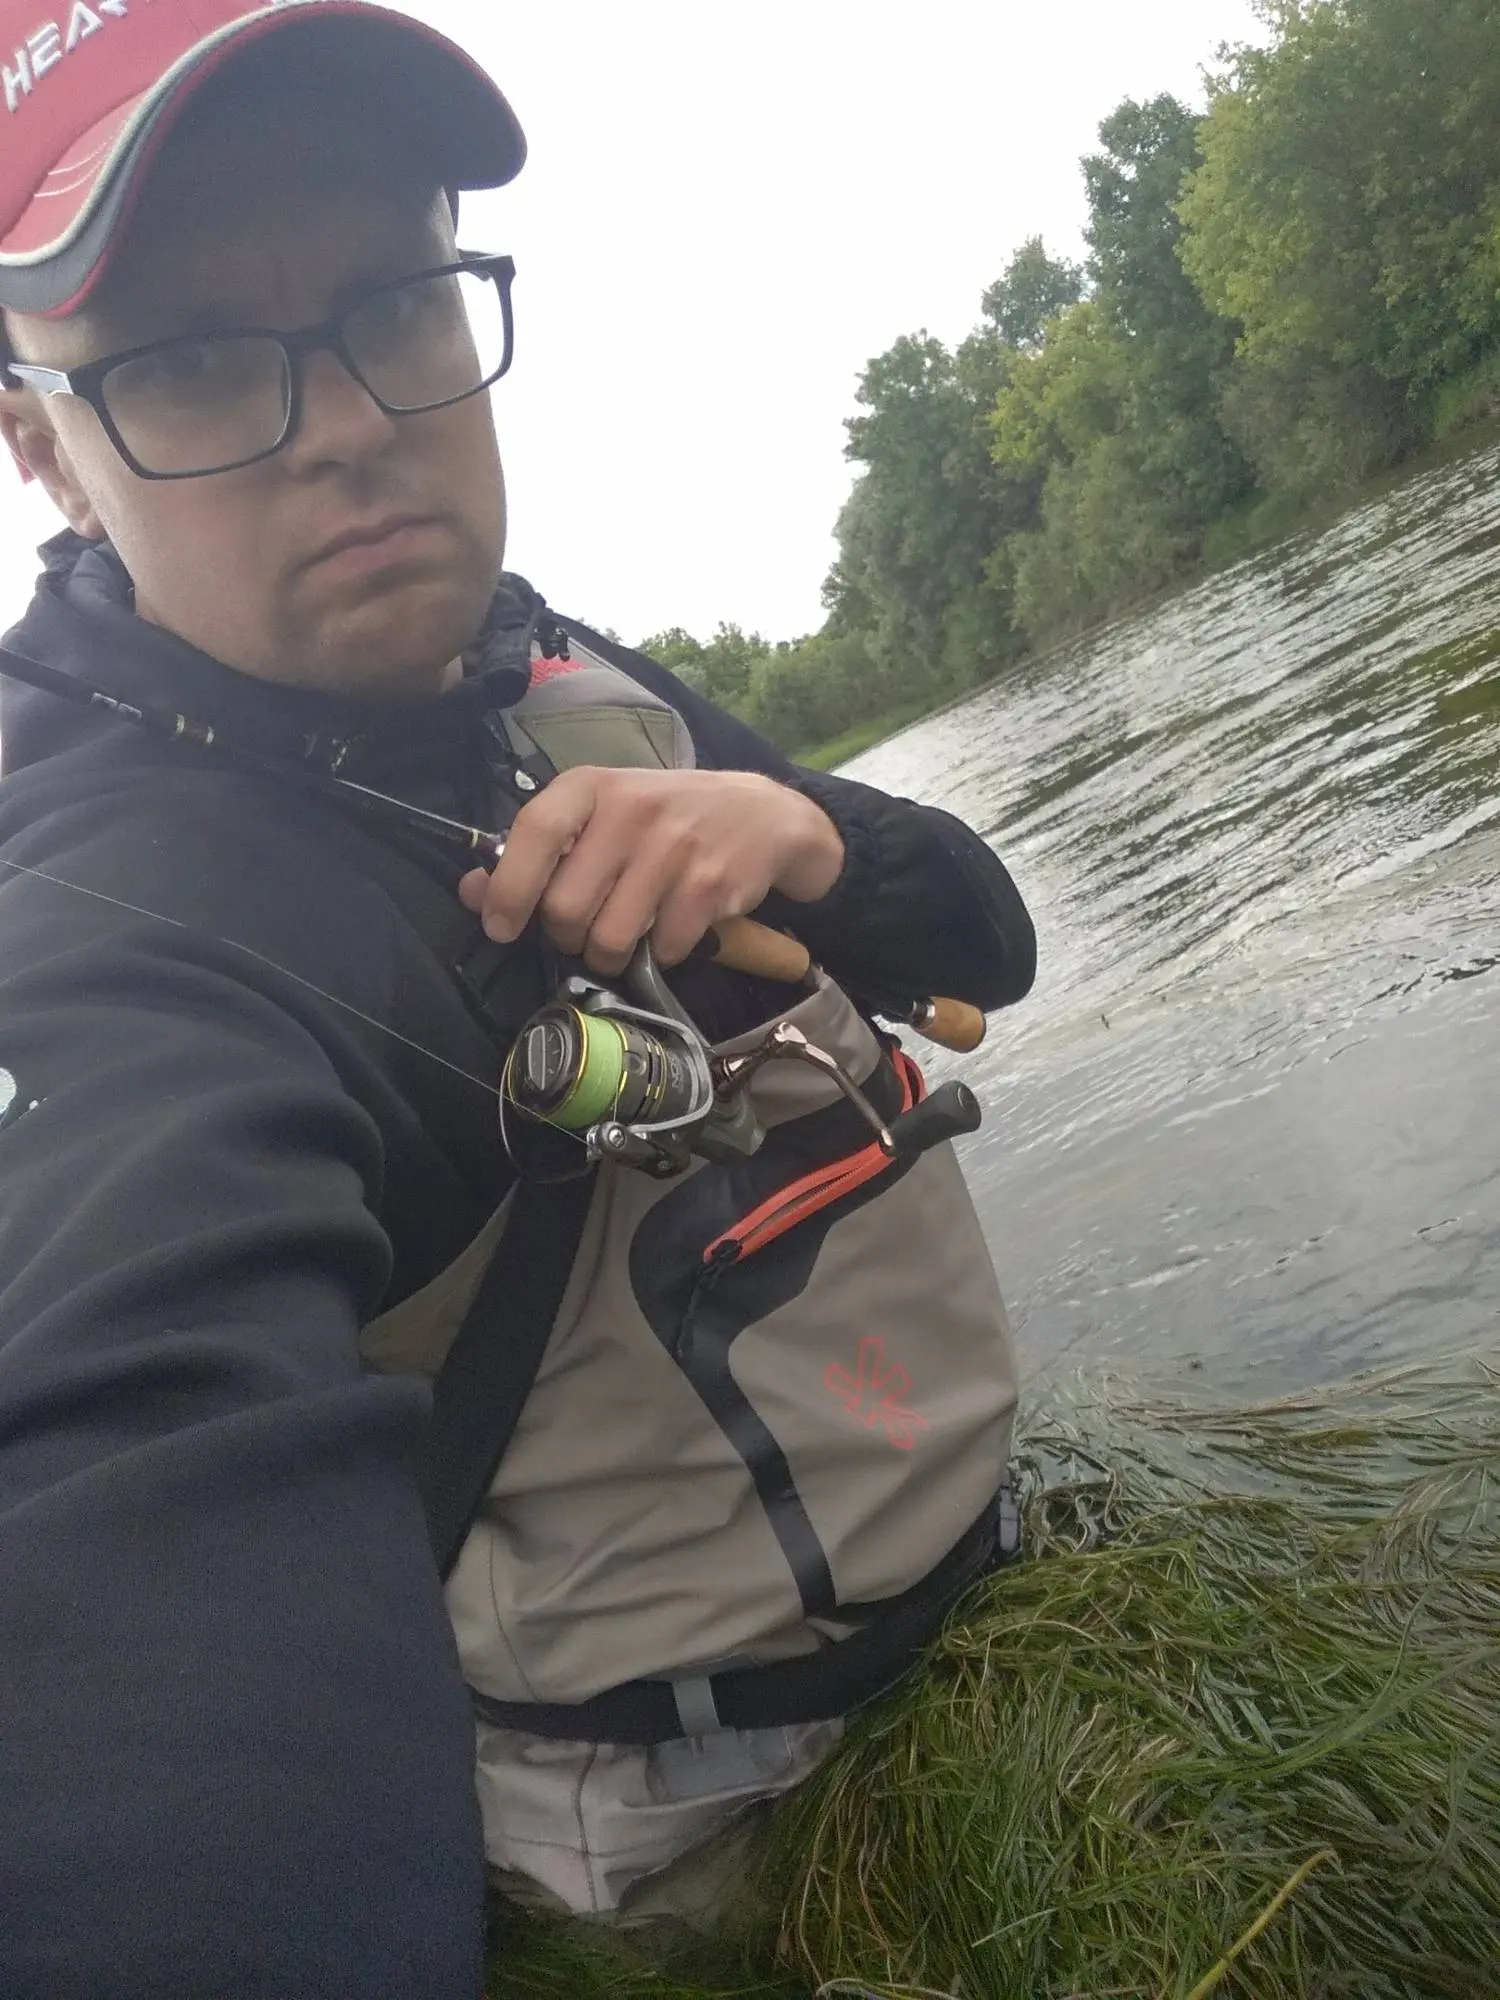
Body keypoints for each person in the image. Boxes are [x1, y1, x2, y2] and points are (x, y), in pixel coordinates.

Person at [0, 3, 1036, 1994]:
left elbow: (990, 949)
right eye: (196, 358)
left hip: (992, 1610)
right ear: (44, 446)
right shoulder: (101, 932)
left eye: (392, 303)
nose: (347, 422)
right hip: (696, 1852)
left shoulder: (548, 668)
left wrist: (803, 837)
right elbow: (130, 1595)